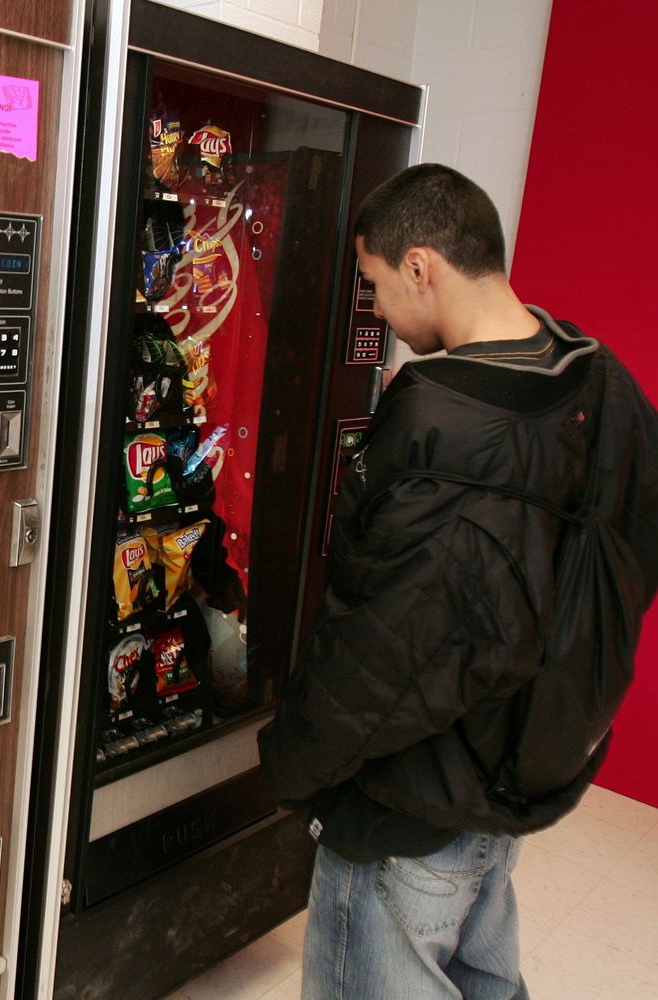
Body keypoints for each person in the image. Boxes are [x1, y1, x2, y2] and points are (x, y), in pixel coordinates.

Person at [256, 163, 658, 1000]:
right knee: (483, 980)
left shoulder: (445, 422)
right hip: (509, 783)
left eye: (373, 285)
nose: (377, 314)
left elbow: (391, 651)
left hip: (410, 812)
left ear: (420, 266)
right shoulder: (599, 377)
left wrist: (290, 762)